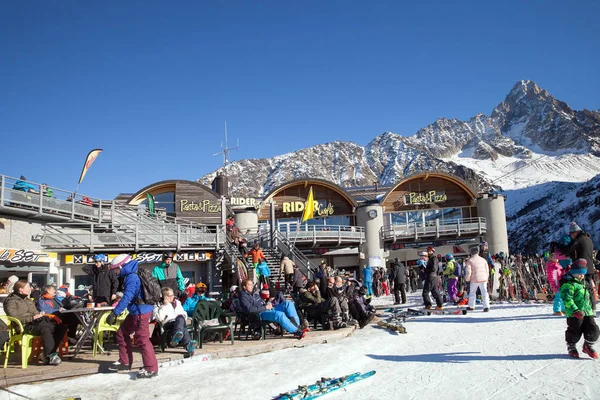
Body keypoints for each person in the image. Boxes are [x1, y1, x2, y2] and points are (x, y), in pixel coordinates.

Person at [106, 254, 158, 379]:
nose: (116, 272)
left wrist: (115, 313)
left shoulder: (132, 277)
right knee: (122, 332)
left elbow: (127, 297)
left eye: (116, 269)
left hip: (141, 311)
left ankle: (151, 368)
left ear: (123, 266)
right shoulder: (131, 274)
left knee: (142, 339)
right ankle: (125, 362)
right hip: (136, 310)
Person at [4, 280, 67, 366]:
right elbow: (14, 317)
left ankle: (47, 353)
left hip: (35, 323)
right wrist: (33, 317)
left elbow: (35, 312)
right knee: (46, 329)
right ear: (20, 289)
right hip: (24, 326)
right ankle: (51, 355)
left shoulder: (28, 300)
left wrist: (39, 315)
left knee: (60, 327)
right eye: (27, 287)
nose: (30, 288)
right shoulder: (10, 301)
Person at [238, 279, 307, 339]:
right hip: (259, 314)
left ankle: (297, 326)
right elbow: (250, 309)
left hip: (266, 309)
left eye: (252, 284)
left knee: (288, 304)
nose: (252, 286)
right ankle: (296, 331)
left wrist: (267, 304)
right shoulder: (243, 296)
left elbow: (260, 302)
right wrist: (265, 307)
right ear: (244, 287)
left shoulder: (254, 294)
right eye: (249, 285)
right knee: (280, 314)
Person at [560, 259, 599, 358]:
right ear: (573, 273)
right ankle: (571, 345)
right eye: (578, 274)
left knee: (593, 329)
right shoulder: (568, 284)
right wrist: (575, 310)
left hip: (587, 311)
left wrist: (593, 306)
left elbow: (590, 295)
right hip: (574, 313)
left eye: (583, 273)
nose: (581, 276)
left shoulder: (585, 283)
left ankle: (588, 345)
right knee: (575, 330)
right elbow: (567, 299)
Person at [563, 222, 597, 311]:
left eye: (571, 234)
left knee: (582, 289)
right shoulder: (588, 239)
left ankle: (585, 309)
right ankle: (592, 308)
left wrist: (559, 247)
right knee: (589, 289)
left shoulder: (578, 240)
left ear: (575, 232)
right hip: (589, 267)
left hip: (581, 268)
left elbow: (567, 250)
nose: (570, 236)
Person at [153, 287, 196, 356]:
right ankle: (188, 345)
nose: (173, 297)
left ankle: (177, 337)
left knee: (180, 318)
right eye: (171, 295)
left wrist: (183, 315)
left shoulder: (177, 303)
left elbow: (183, 312)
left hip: (178, 322)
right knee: (182, 326)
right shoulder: (159, 305)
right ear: (166, 297)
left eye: (173, 295)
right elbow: (160, 318)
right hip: (167, 323)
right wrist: (166, 305)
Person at [465, 246, 490, 312]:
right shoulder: (483, 260)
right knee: (484, 292)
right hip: (483, 279)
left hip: (474, 279)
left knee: (472, 293)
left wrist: (467, 279)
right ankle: (486, 307)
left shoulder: (470, 260)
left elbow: (468, 271)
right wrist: (486, 278)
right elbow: (487, 270)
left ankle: (471, 306)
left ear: (471, 253)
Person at [546, 246, 567, 316]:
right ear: (551, 258)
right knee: (558, 297)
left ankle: (563, 309)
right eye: (554, 257)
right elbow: (551, 277)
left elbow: (560, 272)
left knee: (563, 296)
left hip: (561, 282)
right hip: (556, 283)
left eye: (557, 257)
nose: (556, 259)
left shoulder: (557, 265)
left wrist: (564, 270)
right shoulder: (551, 267)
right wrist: (554, 285)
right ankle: (556, 310)